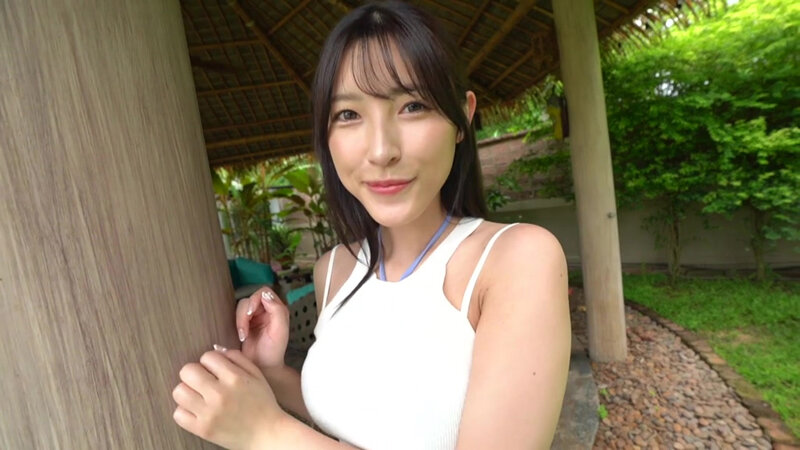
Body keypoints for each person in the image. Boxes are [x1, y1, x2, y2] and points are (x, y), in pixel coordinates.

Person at [171, 2, 570, 448]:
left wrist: (266, 433)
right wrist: (271, 372)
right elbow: (363, 422)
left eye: (413, 105)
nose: (381, 151)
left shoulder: (516, 260)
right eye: (348, 114)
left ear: (463, 117)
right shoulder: (333, 270)